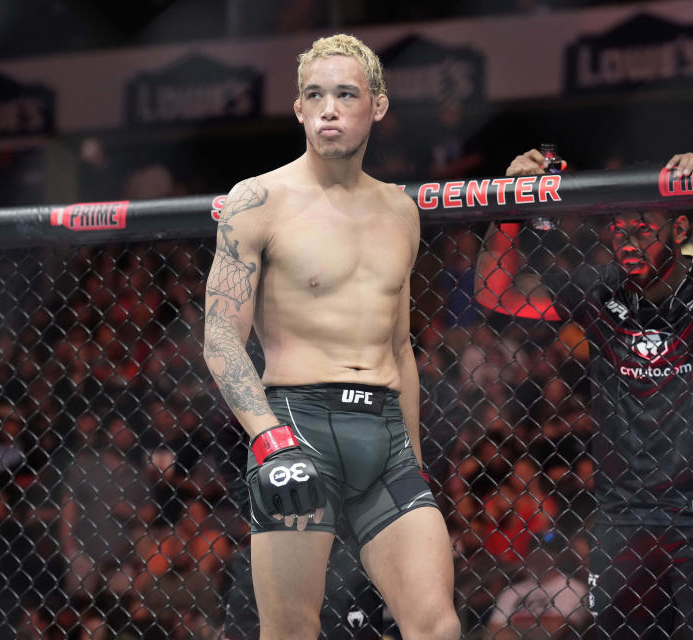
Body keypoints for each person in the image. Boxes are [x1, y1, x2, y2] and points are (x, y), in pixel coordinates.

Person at [202, 34, 459, 640]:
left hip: (386, 435)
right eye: (314, 95)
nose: (328, 109)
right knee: (290, 629)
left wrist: (415, 461)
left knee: (436, 625)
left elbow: (399, 347)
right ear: (297, 109)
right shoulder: (258, 200)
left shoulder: (400, 210)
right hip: (297, 425)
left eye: (346, 94)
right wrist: (269, 440)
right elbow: (219, 335)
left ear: (378, 106)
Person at [475, 148, 693, 639]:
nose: (627, 242)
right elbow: (496, 293)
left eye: (643, 229)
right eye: (618, 230)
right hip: (623, 515)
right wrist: (512, 205)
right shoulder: (598, 289)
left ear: (679, 231)